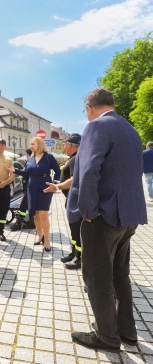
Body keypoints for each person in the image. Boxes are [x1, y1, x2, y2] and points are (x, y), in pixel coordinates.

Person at [67, 88, 147, 352]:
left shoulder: (97, 126)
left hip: (103, 216)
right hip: (129, 215)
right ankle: (127, 332)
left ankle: (106, 337)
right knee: (119, 275)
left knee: (97, 276)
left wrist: (88, 212)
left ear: (90, 108)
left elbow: (89, 170)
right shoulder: (129, 128)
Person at [8, 137, 60, 252]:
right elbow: (26, 173)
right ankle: (39, 235)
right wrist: (15, 170)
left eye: (33, 144)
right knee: (35, 214)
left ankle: (46, 239)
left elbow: (58, 171)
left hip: (45, 186)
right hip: (32, 187)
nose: (31, 146)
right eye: (30, 144)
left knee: (43, 214)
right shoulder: (30, 159)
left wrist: (55, 185)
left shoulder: (48, 157)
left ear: (40, 144)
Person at [44, 133, 82, 270]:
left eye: (65, 144)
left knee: (77, 230)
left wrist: (58, 186)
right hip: (72, 199)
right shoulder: (74, 158)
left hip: (76, 201)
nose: (64, 146)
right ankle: (74, 253)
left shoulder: (76, 159)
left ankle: (80, 258)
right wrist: (60, 182)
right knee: (74, 230)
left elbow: (74, 180)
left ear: (71, 145)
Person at [10, 148, 36, 231]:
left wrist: (16, 170)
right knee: (29, 205)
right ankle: (32, 223)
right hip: (30, 186)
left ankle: (19, 223)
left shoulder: (31, 162)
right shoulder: (34, 161)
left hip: (30, 187)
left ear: (28, 154)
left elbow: (26, 173)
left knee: (23, 206)